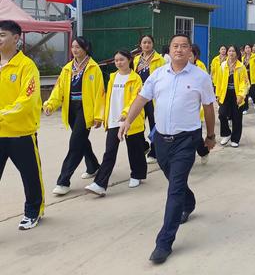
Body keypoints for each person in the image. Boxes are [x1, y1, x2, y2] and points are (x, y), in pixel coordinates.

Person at [119, 34, 216, 265]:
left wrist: (210, 136)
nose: (179, 50)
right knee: (175, 181)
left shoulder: (200, 77)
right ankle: (189, 202)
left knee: (174, 190)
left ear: (190, 51)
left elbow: (209, 108)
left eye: (184, 46)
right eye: (175, 46)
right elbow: (141, 99)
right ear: (169, 50)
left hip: (187, 139)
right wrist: (127, 121)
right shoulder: (158, 74)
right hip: (161, 139)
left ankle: (164, 242)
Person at [44, 37, 104, 196]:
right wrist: (50, 104)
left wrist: (99, 115)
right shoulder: (67, 69)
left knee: (75, 143)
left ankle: (63, 181)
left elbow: (99, 93)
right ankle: (93, 166)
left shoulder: (93, 68)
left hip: (86, 109)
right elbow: (59, 89)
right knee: (81, 140)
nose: (75, 50)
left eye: (78, 47)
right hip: (71, 109)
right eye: (73, 47)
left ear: (85, 48)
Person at [0, 20, 44, 230]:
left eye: (2, 35)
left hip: (21, 133)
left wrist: (2, 115)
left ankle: (33, 212)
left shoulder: (27, 66)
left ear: (15, 38)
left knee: (30, 176)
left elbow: (27, 99)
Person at [85, 50, 147, 196]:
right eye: (116, 60)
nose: (118, 63)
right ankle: (100, 184)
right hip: (114, 120)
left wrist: (126, 113)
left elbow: (135, 98)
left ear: (129, 60)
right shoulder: (113, 77)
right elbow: (107, 98)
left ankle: (137, 175)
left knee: (135, 150)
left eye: (122, 60)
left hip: (131, 120)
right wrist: (102, 116)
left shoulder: (135, 78)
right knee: (109, 152)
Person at [133, 35, 165, 164]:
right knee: (138, 123)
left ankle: (154, 152)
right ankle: (144, 145)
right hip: (140, 96)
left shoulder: (159, 60)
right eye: (144, 42)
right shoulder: (136, 59)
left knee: (153, 124)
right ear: (140, 44)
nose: (146, 45)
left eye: (149, 42)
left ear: (153, 44)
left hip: (153, 97)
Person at [217, 45, 250, 147]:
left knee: (237, 117)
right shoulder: (222, 66)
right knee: (221, 114)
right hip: (225, 94)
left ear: (237, 53)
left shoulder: (241, 67)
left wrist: (241, 95)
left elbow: (245, 83)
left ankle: (235, 139)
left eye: (233, 51)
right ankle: (226, 133)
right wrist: (217, 94)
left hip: (237, 95)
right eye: (229, 51)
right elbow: (218, 81)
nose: (231, 53)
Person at [190, 44, 210, 165]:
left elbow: (205, 92)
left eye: (190, 55)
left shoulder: (200, 68)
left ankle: (203, 151)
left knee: (195, 137)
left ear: (195, 56)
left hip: (196, 110)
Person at [242, 43, 255, 111]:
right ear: (244, 49)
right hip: (245, 77)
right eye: (246, 48)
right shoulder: (242, 58)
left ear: (251, 49)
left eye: (249, 48)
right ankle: (245, 108)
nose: (247, 49)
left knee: (253, 92)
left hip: (252, 76)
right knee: (245, 92)